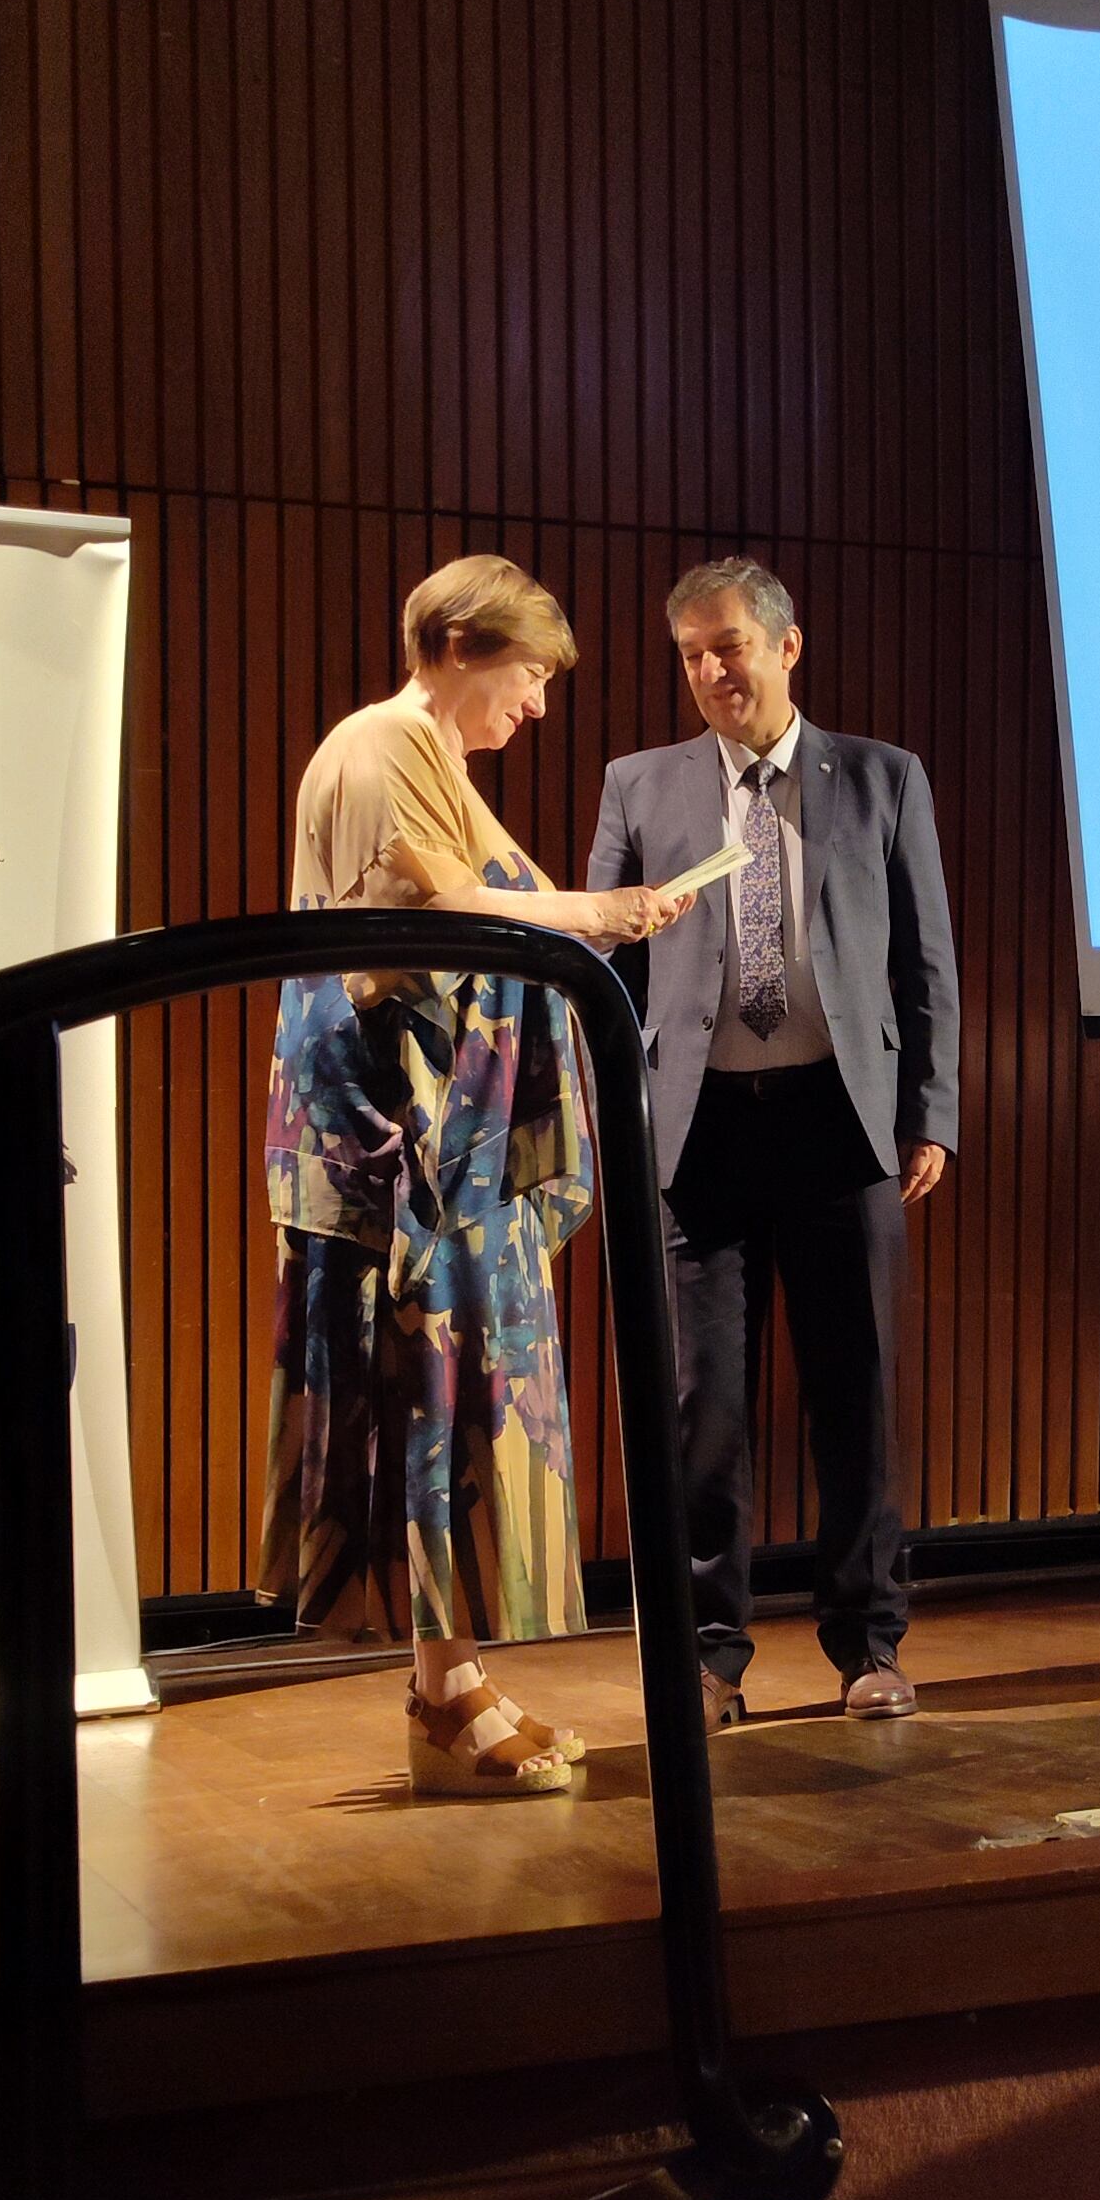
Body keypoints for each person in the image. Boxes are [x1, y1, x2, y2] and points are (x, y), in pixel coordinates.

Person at [259, 555, 691, 1797]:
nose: (539, 705)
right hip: (399, 1146)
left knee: (445, 1399)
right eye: (530, 673)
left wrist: (608, 910)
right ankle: (442, 1692)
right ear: (455, 643)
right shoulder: (381, 745)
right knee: (422, 1399)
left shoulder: (433, 759)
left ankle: (447, 1680)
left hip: (444, 1149)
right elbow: (438, 917)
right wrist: (590, 917)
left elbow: (514, 902)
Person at [587, 558, 959, 1725]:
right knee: (707, 1410)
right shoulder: (639, 787)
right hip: (699, 1137)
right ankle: (708, 1657)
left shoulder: (883, 780)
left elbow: (928, 964)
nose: (709, 671)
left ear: (786, 648)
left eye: (729, 646)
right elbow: (599, 966)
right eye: (690, 652)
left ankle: (868, 1648)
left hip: (837, 1123)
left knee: (856, 1398)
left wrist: (931, 1112)